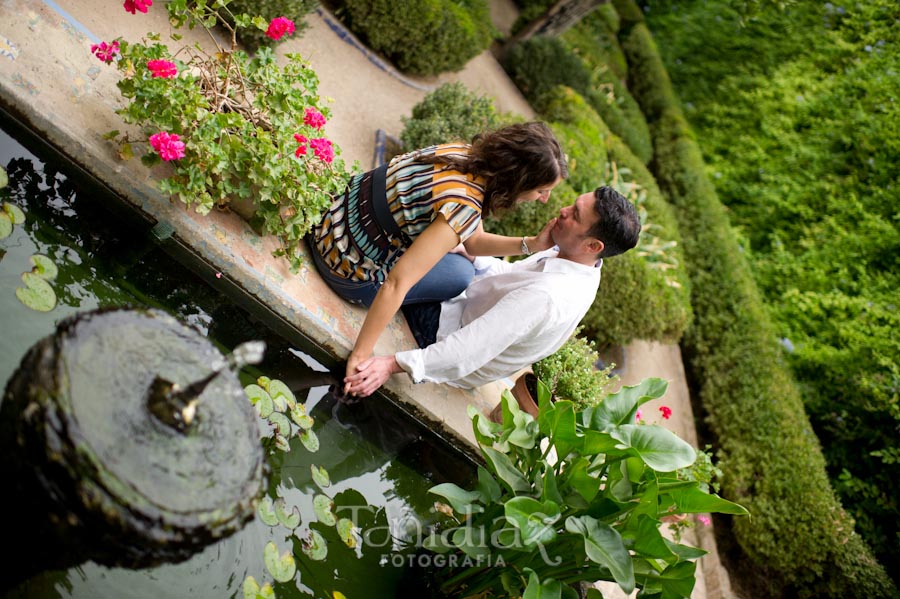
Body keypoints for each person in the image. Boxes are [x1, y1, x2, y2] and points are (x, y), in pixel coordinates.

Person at [306, 122, 569, 387]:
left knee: (458, 255)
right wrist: (360, 354)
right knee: (460, 273)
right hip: (343, 268)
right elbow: (396, 282)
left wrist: (533, 244)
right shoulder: (464, 207)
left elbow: (473, 243)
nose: (544, 199)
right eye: (541, 190)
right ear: (519, 180)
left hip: (329, 223)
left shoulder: (464, 154)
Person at [343, 186, 642, 396]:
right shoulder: (578, 261)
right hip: (464, 309)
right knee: (453, 246)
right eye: (573, 205)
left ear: (593, 246)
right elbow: (508, 279)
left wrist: (391, 364)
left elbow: (467, 351)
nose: (562, 211)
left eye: (575, 214)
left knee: (424, 251)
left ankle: (353, 271)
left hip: (444, 333)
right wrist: (473, 253)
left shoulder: (549, 297)